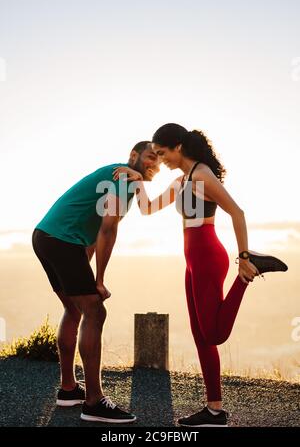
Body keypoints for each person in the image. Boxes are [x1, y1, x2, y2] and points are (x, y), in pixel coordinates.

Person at [113, 123, 288, 427]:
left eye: (162, 152)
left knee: (214, 334)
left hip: (208, 256)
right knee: (200, 337)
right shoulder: (182, 181)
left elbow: (237, 212)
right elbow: (147, 209)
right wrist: (138, 180)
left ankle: (249, 274)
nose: (160, 159)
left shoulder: (202, 175)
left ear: (178, 147)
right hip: (192, 259)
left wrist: (244, 257)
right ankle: (214, 410)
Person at [32, 141, 160, 423]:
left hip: (45, 237)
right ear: (134, 156)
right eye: (151, 156)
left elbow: (89, 234)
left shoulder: (125, 179)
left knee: (75, 308)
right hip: (61, 241)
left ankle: (68, 390)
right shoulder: (122, 178)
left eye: (159, 160)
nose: (156, 163)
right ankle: (93, 402)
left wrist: (89, 278)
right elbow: (107, 229)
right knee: (95, 310)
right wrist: (99, 281)